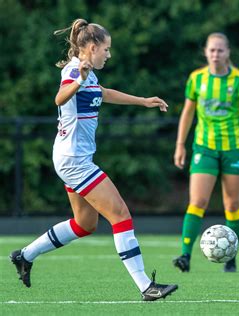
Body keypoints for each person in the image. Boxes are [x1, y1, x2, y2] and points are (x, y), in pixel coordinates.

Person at [9, 18, 178, 301]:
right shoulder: (75, 70)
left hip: (69, 157)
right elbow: (60, 98)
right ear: (91, 47)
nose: (108, 55)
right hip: (75, 160)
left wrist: (143, 100)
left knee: (85, 224)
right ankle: (146, 286)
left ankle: (24, 255)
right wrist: (78, 79)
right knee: (121, 215)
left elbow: (103, 94)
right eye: (106, 49)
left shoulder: (88, 73)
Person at [172, 32, 239, 273]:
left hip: (235, 148)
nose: (215, 54)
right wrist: (180, 144)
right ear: (206, 52)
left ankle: (231, 257)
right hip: (205, 147)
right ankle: (185, 256)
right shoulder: (196, 78)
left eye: (220, 50)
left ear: (228, 52)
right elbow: (188, 113)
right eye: (212, 50)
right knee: (197, 201)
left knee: (232, 204)